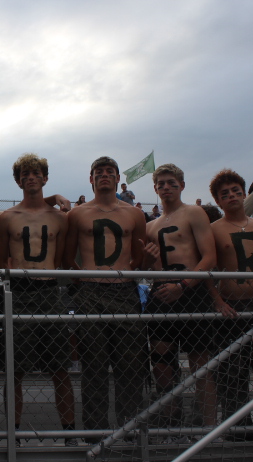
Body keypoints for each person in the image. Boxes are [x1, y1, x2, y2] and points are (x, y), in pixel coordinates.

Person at [64, 156, 149, 443]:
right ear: (90, 179)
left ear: (117, 178)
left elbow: (139, 258)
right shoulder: (77, 214)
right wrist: (84, 281)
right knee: (94, 365)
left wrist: (129, 273)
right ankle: (95, 432)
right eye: (98, 172)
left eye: (109, 172)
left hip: (123, 290)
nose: (103, 176)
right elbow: (66, 257)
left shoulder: (134, 214)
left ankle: (130, 428)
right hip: (90, 290)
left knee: (130, 364)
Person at [0, 153, 77, 446]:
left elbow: (66, 261)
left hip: (49, 292)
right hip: (19, 293)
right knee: (14, 369)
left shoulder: (60, 218)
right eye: (25, 174)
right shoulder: (8, 217)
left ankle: (69, 432)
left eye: (36, 173)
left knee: (60, 368)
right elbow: (1, 260)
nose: (31, 177)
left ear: (44, 178)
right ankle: (13, 432)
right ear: (18, 181)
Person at [207, 169, 253, 438]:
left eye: (236, 191)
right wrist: (217, 301)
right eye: (224, 194)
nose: (231, 196)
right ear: (218, 201)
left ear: (244, 193)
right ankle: (239, 430)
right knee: (232, 374)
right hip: (233, 307)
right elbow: (207, 270)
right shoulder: (213, 230)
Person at [145, 164, 217, 440]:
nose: (166, 187)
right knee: (161, 361)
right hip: (162, 294)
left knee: (201, 363)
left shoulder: (194, 213)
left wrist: (183, 285)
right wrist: (148, 262)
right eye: (161, 183)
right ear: (155, 189)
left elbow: (209, 257)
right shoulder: (150, 225)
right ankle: (171, 420)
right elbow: (143, 266)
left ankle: (209, 426)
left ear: (182, 186)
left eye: (171, 183)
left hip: (191, 292)